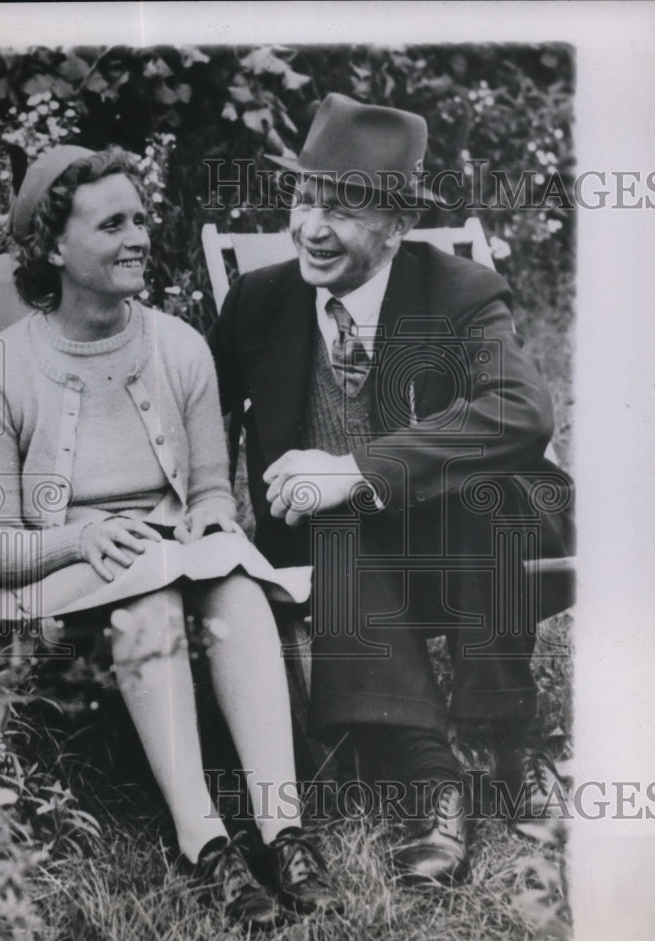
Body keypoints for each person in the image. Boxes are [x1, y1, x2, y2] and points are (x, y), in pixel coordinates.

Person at [0, 144, 341, 930]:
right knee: (151, 598)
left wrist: (210, 516)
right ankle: (203, 842)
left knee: (228, 581)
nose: (139, 237)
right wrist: (79, 538)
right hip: (43, 582)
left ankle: (282, 830)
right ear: (55, 247)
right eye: (112, 224)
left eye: (141, 218)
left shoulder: (179, 347)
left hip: (165, 559)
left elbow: (208, 490)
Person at [209, 93, 575, 884]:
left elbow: (522, 409)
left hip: (473, 532)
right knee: (338, 535)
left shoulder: (457, 291)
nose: (310, 227)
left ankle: (502, 742)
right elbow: (201, 418)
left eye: (341, 210)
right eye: (304, 200)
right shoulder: (258, 303)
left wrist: (354, 470)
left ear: (396, 226)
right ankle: (431, 780)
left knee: (485, 500)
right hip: (343, 549)